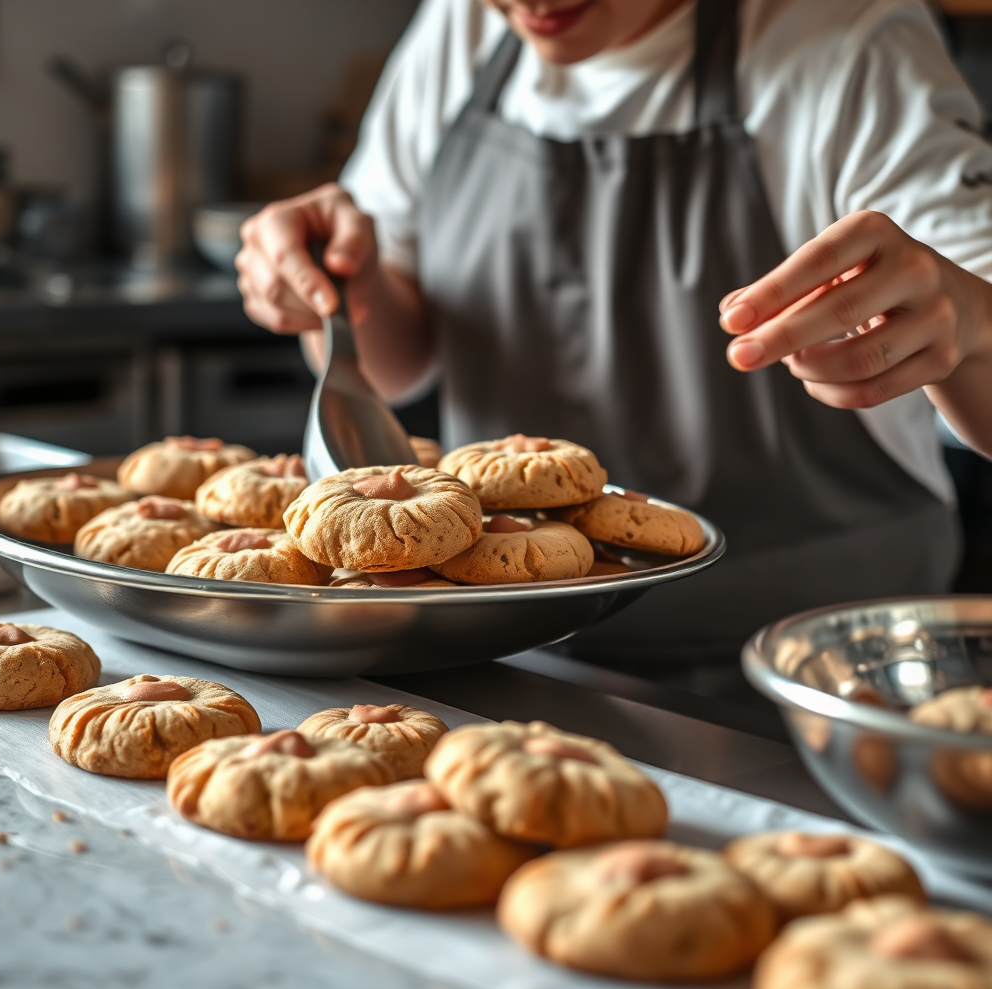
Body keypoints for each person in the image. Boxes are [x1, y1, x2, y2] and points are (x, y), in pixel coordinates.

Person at [236, 0, 992, 668]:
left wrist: (971, 319)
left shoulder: (850, 42)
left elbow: (965, 325)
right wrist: (341, 286)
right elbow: (395, 363)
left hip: (818, 665)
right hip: (509, 653)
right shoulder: (462, 25)